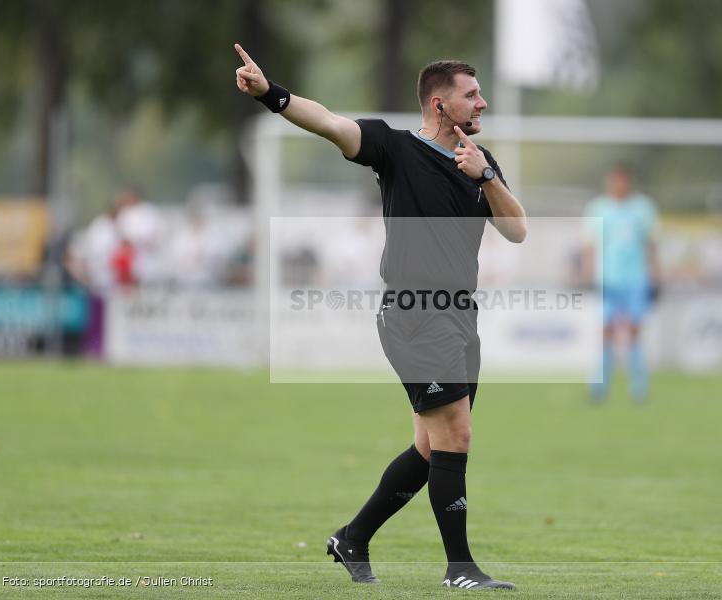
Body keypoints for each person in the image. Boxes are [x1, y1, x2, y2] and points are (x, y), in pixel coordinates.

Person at [234, 44, 526, 590]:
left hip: (461, 316)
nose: (482, 102)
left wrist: (487, 175)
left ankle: (353, 538)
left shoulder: (479, 162)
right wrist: (271, 94)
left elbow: (517, 231)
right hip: (414, 315)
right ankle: (460, 569)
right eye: (471, 95)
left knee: (431, 447)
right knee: (456, 433)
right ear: (440, 104)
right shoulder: (394, 148)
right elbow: (328, 122)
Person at [582, 164, 660, 402]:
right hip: (608, 278)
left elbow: (650, 244)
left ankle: (638, 387)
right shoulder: (598, 208)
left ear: (628, 182)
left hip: (636, 277)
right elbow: (591, 244)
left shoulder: (643, 208)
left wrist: (656, 275)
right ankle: (599, 387)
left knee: (634, 330)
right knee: (606, 331)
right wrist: (588, 273)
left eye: (621, 181)